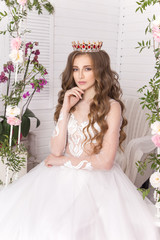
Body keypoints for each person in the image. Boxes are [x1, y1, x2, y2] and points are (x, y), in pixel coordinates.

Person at [0, 41, 159, 240]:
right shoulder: (71, 102)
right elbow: (56, 150)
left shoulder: (112, 107)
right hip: (60, 175)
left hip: (97, 178)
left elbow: (106, 162)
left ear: (99, 71)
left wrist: (61, 161)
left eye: (87, 69)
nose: (80, 75)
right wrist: (65, 109)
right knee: (32, 220)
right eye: (75, 69)